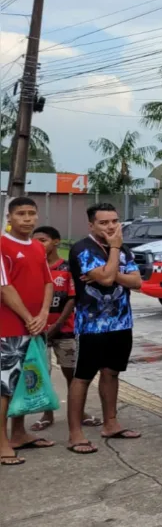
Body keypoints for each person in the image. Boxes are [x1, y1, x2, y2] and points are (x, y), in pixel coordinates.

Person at [67, 202, 142, 455]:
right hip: (91, 326)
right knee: (83, 377)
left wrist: (111, 271)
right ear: (91, 225)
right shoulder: (82, 249)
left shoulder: (123, 250)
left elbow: (137, 281)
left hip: (121, 324)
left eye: (114, 221)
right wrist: (114, 258)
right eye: (104, 222)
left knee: (112, 373)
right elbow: (108, 278)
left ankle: (111, 423)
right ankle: (75, 433)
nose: (111, 226)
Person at [0, 198, 55, 465]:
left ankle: (19, 433)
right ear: (9, 216)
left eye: (31, 213)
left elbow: (48, 283)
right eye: (21, 213)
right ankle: (2, 442)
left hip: (34, 327)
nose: (27, 218)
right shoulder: (2, 245)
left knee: (25, 380)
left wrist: (43, 314)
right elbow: (4, 287)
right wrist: (28, 317)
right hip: (8, 328)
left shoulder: (36, 247)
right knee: (5, 387)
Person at [32, 226, 97, 432]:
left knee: (72, 374)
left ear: (56, 242)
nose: (38, 245)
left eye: (43, 240)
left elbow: (72, 298)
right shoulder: (34, 267)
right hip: (38, 330)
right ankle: (47, 413)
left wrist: (58, 324)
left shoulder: (67, 268)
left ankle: (79, 412)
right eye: (35, 241)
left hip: (66, 330)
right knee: (42, 373)